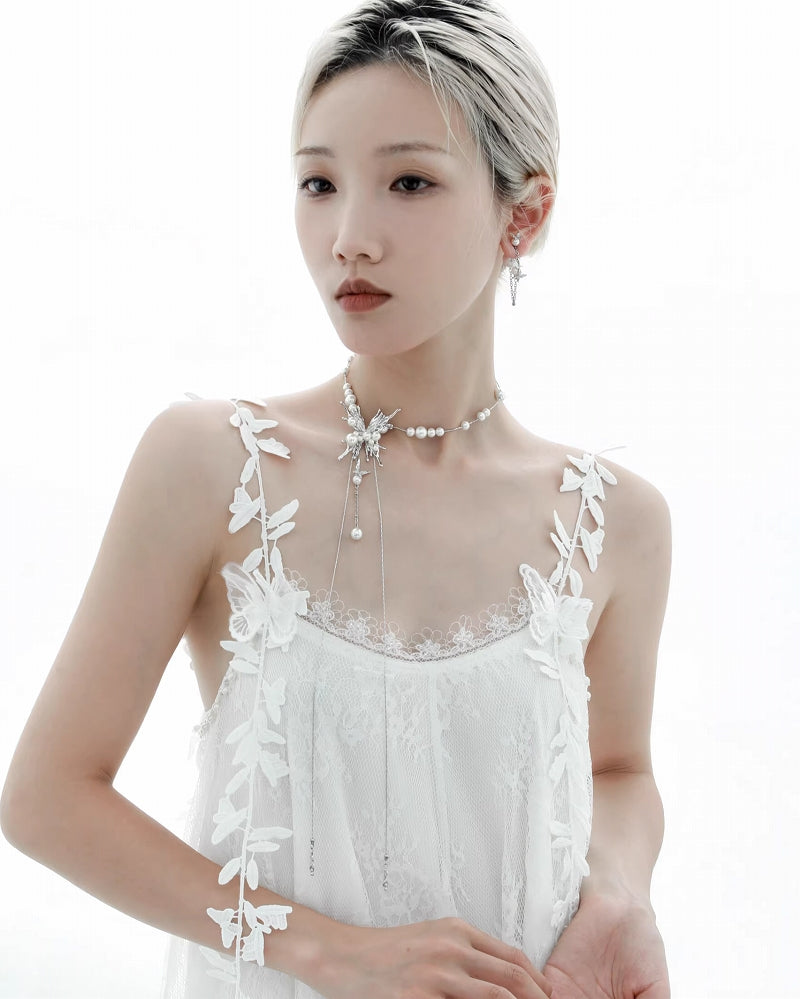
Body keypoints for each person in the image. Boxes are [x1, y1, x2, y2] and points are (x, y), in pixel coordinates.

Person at [0, 1, 672, 997]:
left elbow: (619, 771)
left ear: (523, 214)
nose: (349, 237)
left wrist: (618, 896)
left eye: (409, 182)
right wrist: (328, 949)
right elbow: (46, 798)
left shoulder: (613, 519)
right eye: (318, 183)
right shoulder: (212, 464)